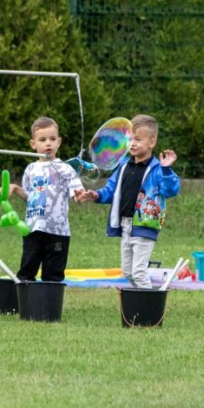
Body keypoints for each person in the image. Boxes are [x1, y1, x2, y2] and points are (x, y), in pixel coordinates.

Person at [75, 115, 180, 289]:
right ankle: (140, 298)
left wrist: (166, 169)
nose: (133, 144)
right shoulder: (123, 166)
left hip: (144, 226)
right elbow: (111, 191)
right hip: (125, 225)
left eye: (138, 139)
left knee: (138, 272)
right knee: (128, 272)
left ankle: (149, 303)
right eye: (130, 139)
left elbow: (171, 190)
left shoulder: (157, 170)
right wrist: (96, 195)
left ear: (152, 142)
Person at [5, 116, 84, 282]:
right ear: (33, 144)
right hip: (33, 229)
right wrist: (16, 189)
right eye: (42, 140)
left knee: (53, 274)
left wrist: (79, 196)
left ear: (59, 142)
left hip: (58, 231)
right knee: (27, 271)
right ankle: (26, 296)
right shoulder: (31, 169)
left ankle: (49, 298)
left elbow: (76, 194)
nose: (48, 143)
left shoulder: (66, 169)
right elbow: (31, 198)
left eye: (52, 139)